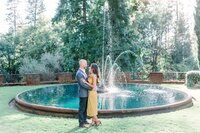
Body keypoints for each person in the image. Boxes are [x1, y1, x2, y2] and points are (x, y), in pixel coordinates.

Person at [76, 59, 91, 128]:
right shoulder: (79, 73)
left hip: (86, 93)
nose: (86, 64)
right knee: (82, 109)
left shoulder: (83, 72)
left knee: (85, 108)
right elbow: (82, 84)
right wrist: (90, 88)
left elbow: (86, 81)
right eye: (85, 63)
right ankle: (81, 124)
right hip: (82, 93)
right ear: (82, 64)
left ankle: (84, 120)